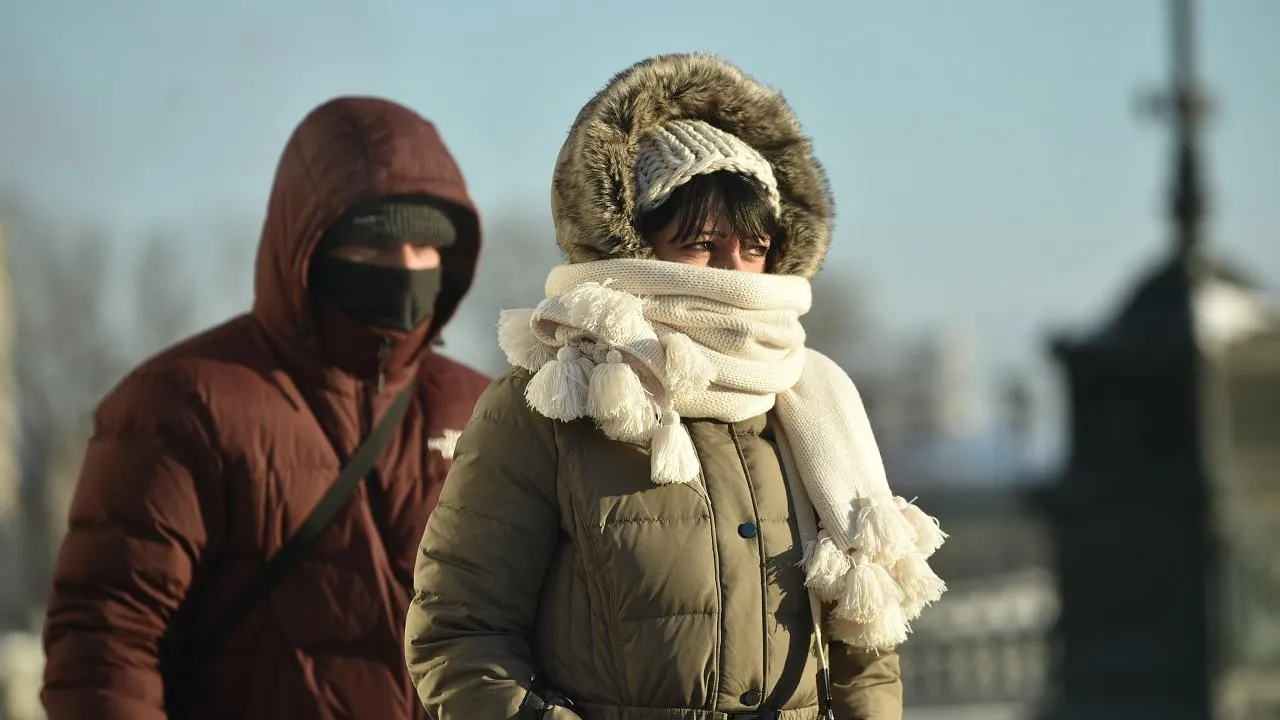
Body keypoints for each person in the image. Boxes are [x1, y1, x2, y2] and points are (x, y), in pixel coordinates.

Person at [405, 54, 948, 720]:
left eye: (753, 245)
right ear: (635, 244)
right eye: (701, 243)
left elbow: (867, 653)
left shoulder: (812, 401)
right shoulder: (550, 402)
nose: (733, 270)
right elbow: (459, 638)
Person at [41, 96, 490, 720]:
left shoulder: (483, 408)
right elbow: (107, 648)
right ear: (309, 244)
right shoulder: (182, 403)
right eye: (379, 245)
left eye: (428, 247)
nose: (407, 269)